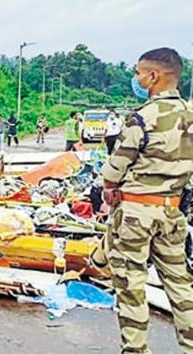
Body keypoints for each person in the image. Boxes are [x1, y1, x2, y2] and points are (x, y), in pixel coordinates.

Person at [96, 47, 193, 353]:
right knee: (181, 286)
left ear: (153, 76)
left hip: (137, 212)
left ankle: (136, 350)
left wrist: (109, 187)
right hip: (174, 212)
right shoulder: (191, 116)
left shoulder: (142, 118)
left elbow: (115, 167)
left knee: (131, 287)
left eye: (138, 73)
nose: (136, 78)